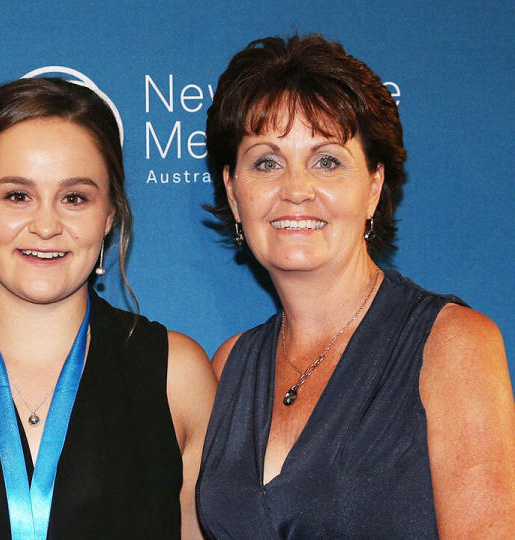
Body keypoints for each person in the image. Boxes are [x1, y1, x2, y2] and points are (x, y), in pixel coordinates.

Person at [0, 77, 217, 539]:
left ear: (109, 214)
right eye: (17, 195)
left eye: (75, 198)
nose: (46, 225)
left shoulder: (178, 376)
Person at [196, 34, 515, 538]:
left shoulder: (452, 345)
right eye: (266, 162)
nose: (295, 189)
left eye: (326, 161)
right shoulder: (230, 365)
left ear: (373, 187)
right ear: (234, 194)